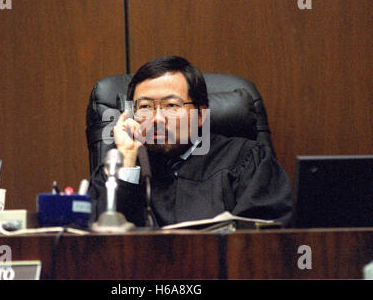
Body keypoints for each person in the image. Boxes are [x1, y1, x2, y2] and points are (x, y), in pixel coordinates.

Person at [88, 56, 293, 228]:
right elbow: (100, 246)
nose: (157, 119)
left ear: (201, 114)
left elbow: (266, 238)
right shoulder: (114, 170)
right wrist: (127, 163)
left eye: (171, 105)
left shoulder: (246, 159)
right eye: (145, 107)